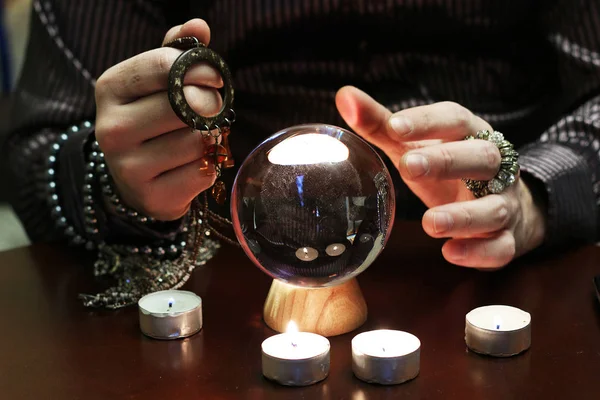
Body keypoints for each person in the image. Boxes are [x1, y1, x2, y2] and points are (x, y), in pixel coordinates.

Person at [3, 0, 599, 275]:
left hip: (512, 270)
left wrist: (532, 189)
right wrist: (120, 181)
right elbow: (41, 145)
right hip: (219, 259)